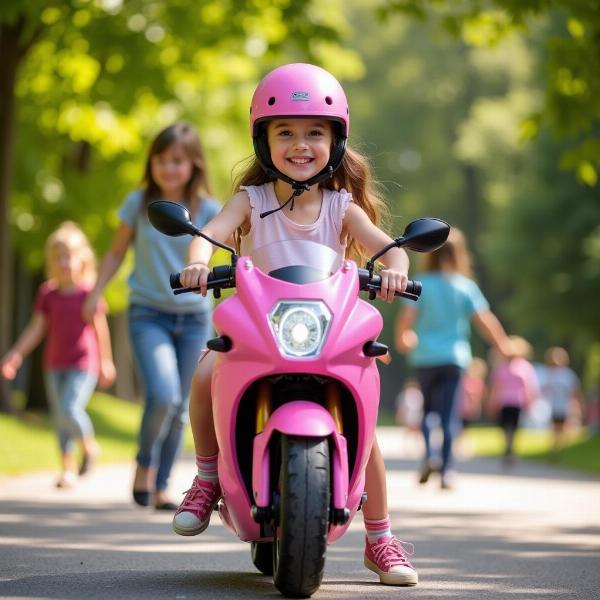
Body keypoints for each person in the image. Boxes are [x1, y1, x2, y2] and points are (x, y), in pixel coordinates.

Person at [172, 64, 418, 586]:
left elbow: (387, 249)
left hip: (326, 328)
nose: (300, 144)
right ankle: (207, 476)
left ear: (336, 140)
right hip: (257, 328)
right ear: (263, 139)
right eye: (285, 131)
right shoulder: (252, 201)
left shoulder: (340, 207)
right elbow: (210, 233)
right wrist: (198, 259)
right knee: (202, 376)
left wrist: (396, 272)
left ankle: (380, 536)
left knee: (366, 424)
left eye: (314, 132)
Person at [82, 123, 221, 510]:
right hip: (148, 314)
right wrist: (95, 292)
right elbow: (114, 253)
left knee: (180, 406)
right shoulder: (138, 202)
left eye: (176, 160)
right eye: (160, 160)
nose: (168, 168)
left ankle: (160, 484)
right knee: (162, 395)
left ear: (193, 164)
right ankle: (144, 462)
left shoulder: (208, 209)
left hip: (193, 318)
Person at [1, 222, 116, 488]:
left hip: (83, 363)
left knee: (69, 408)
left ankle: (89, 447)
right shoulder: (48, 294)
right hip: (54, 364)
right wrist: (16, 355)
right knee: (59, 418)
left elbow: (101, 330)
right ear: (52, 261)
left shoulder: (89, 293)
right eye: (58, 257)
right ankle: (67, 469)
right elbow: (35, 329)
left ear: (82, 259)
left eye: (69, 256)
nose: (64, 262)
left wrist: (107, 362)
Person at [395, 228, 512, 489]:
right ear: (460, 254)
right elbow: (486, 320)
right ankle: (447, 470)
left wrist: (403, 338)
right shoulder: (465, 286)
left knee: (428, 412)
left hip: (425, 356)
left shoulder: (422, 283)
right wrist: (502, 345)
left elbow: (406, 320)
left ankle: (429, 456)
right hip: (454, 358)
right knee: (449, 415)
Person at [488, 336, 539, 465]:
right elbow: (496, 387)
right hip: (504, 401)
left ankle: (511, 447)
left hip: (518, 401)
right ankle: (508, 447)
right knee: (505, 425)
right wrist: (492, 401)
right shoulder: (501, 367)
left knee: (515, 426)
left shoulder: (525, 367)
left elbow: (529, 386)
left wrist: (530, 401)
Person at [541, 346, 583, 452]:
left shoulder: (568, 374)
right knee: (554, 427)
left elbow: (575, 390)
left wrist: (577, 404)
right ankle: (556, 446)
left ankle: (561, 446)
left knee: (564, 426)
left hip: (566, 405)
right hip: (552, 405)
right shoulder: (549, 374)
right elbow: (544, 389)